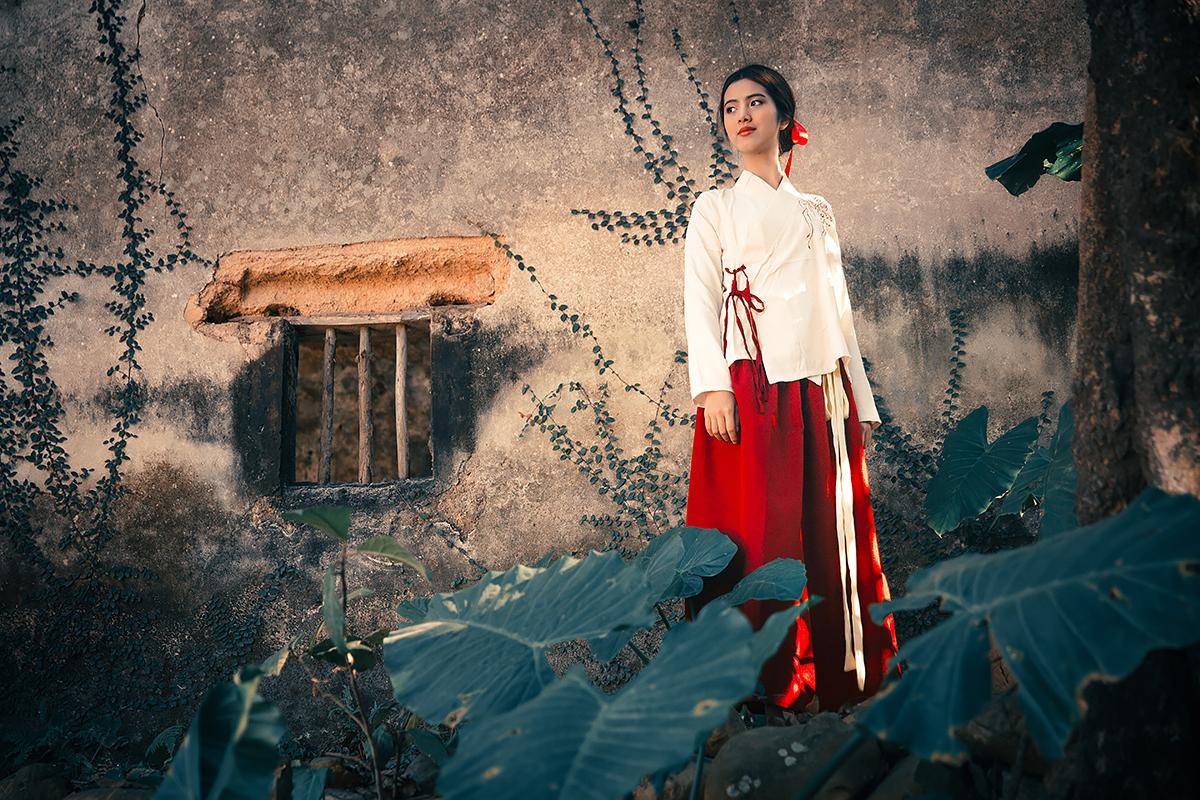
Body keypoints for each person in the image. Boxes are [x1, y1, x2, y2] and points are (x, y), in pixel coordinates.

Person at [681, 63, 901, 714]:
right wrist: (712, 389)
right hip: (750, 387)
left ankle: (842, 679)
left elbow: (838, 309)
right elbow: (699, 300)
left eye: (755, 102)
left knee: (831, 531)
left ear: (783, 116)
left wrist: (859, 401)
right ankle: (760, 686)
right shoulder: (714, 208)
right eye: (730, 108)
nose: (741, 115)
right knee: (756, 528)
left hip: (821, 389)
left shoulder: (816, 211)